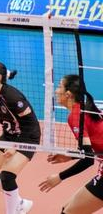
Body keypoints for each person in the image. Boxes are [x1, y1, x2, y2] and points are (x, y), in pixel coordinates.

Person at [0, 60, 38, 214]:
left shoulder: (12, 97)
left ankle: (13, 211)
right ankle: (20, 203)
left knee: (7, 176)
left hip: (28, 137)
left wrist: (16, 146)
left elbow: (30, 125)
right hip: (9, 135)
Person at [39, 75, 103, 213]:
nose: (56, 91)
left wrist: (59, 177)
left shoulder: (76, 116)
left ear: (68, 94)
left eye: (59, 86)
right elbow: (89, 150)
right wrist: (71, 156)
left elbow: (88, 160)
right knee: (66, 209)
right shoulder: (85, 109)